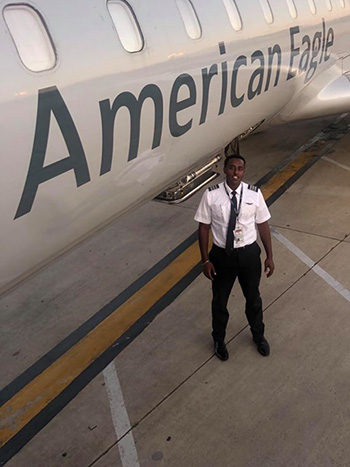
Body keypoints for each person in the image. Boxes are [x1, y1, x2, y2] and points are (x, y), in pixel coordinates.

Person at [194, 154, 274, 361]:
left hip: (248, 255)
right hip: (222, 257)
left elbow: (263, 225)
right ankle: (219, 340)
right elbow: (203, 228)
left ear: (243, 171)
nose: (235, 172)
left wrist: (269, 256)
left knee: (253, 299)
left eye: (239, 169)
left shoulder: (254, 194)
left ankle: (259, 335)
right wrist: (205, 260)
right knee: (220, 302)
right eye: (231, 168)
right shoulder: (211, 195)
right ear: (225, 169)